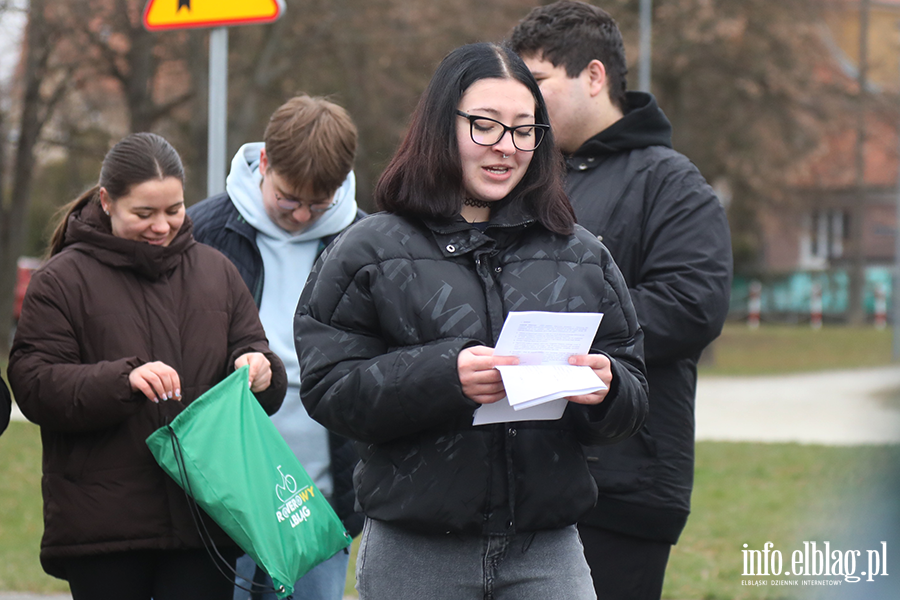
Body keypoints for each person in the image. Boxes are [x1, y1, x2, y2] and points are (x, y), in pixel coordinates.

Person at [293, 42, 649, 600]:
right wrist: (445, 377)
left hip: (546, 550)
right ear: (441, 125)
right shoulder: (368, 250)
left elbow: (632, 388)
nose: (506, 147)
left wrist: (607, 387)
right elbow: (329, 387)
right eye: (485, 126)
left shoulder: (580, 255)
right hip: (416, 551)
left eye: (524, 130)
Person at [509, 3, 733, 599]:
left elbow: (692, 306)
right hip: (522, 478)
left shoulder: (672, 184)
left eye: (537, 82)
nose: (522, 104)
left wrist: (556, 335)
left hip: (624, 486)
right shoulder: (523, 180)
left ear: (594, 76)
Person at [7, 132, 288, 600]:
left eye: (174, 209)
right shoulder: (60, 281)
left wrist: (262, 372)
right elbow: (34, 385)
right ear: (106, 201)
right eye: (144, 213)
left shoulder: (217, 272)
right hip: (105, 530)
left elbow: (260, 367)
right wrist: (122, 380)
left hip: (207, 521)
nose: (162, 226)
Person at [188, 93, 365, 600]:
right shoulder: (202, 233)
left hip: (323, 500)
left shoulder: (367, 241)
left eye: (320, 202)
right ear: (263, 162)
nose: (303, 214)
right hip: (226, 497)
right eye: (289, 197)